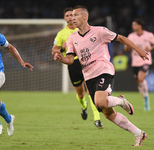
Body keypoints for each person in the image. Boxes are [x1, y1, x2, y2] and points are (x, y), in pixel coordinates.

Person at [53, 5, 148, 146]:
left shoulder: (99, 31)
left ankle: (121, 101)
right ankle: (139, 133)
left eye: (76, 15)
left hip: (103, 69)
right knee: (108, 114)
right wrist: (61, 58)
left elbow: (120, 38)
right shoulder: (72, 38)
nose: (72, 18)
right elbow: (70, 59)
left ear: (85, 17)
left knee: (100, 102)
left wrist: (138, 49)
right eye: (71, 16)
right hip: (89, 75)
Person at [52, 7, 103, 128]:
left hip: (87, 62)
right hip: (73, 64)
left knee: (91, 91)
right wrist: (61, 49)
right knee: (81, 94)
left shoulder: (84, 29)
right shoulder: (61, 34)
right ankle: (84, 106)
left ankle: (97, 118)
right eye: (68, 15)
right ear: (64, 18)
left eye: (72, 15)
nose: (70, 17)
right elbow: (54, 50)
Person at [125, 18, 154, 111]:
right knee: (139, 81)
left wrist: (150, 48)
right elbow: (126, 49)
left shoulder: (149, 35)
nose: (133, 26)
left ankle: (146, 99)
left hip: (145, 60)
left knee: (141, 78)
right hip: (135, 62)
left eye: (134, 25)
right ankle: (145, 97)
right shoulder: (131, 36)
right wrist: (127, 47)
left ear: (139, 26)